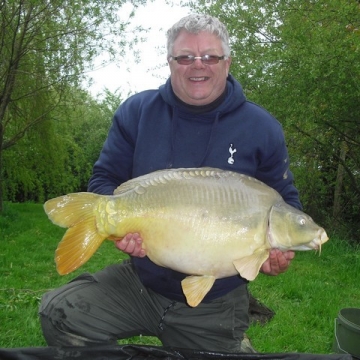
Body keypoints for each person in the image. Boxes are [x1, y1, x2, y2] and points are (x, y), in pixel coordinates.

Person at [39, 14, 301, 353]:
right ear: (170, 62)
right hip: (140, 280)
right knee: (58, 313)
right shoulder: (137, 112)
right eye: (185, 57)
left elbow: (287, 206)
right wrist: (118, 227)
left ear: (227, 62)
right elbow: (104, 179)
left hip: (215, 299)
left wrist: (274, 254)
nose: (198, 66)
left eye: (210, 56)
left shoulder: (261, 128)